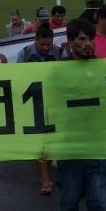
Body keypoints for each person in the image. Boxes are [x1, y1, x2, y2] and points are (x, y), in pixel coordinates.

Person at [58, 18, 106, 211]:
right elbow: (47, 111)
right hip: (71, 148)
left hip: (101, 147)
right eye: (80, 39)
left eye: (90, 39)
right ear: (70, 43)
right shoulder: (57, 72)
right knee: (69, 201)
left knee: (100, 202)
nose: (86, 44)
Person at [16, 24, 63, 195]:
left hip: (53, 104)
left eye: (48, 45)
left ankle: (44, 171)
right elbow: (17, 78)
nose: (45, 48)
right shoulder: (25, 53)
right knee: (41, 142)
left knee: (49, 142)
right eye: (42, 45)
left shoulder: (59, 53)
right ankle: (45, 179)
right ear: (35, 40)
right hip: (33, 104)